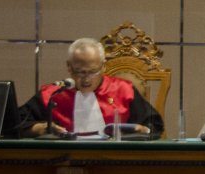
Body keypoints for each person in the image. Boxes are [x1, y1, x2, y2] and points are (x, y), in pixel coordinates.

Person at [19, 38, 163, 138]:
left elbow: (153, 125)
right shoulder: (53, 93)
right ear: (69, 67)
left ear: (103, 66)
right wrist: (41, 129)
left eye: (93, 72)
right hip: (64, 160)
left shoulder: (123, 90)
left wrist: (139, 130)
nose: (86, 79)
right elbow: (16, 124)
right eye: (80, 71)